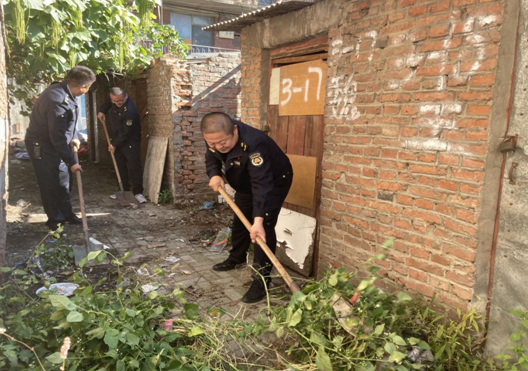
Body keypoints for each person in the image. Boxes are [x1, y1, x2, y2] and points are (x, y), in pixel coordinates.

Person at [201, 112, 293, 303]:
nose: (218, 147)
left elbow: (262, 184)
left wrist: (258, 219)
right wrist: (214, 174)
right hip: (244, 182)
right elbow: (211, 157)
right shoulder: (215, 135)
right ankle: (236, 258)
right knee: (240, 219)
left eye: (222, 143)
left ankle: (261, 282)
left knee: (262, 229)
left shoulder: (254, 143)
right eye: (212, 143)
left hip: (273, 181)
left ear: (234, 130)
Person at [25, 66, 96, 231]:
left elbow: (68, 123)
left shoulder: (66, 94)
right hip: (43, 147)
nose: (86, 91)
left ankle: (66, 214)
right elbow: (56, 136)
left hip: (57, 145)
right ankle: (55, 222)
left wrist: (75, 137)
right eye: (88, 88)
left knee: (63, 182)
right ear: (83, 87)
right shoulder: (55, 99)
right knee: (50, 183)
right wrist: (72, 162)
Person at [97, 88, 146, 203]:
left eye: (119, 101)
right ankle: (123, 190)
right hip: (116, 138)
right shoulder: (114, 99)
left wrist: (114, 144)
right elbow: (107, 102)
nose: (117, 103)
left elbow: (126, 132)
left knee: (134, 166)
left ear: (126, 96)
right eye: (114, 101)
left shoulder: (130, 111)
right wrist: (102, 111)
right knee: (119, 165)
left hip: (130, 141)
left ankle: (138, 192)